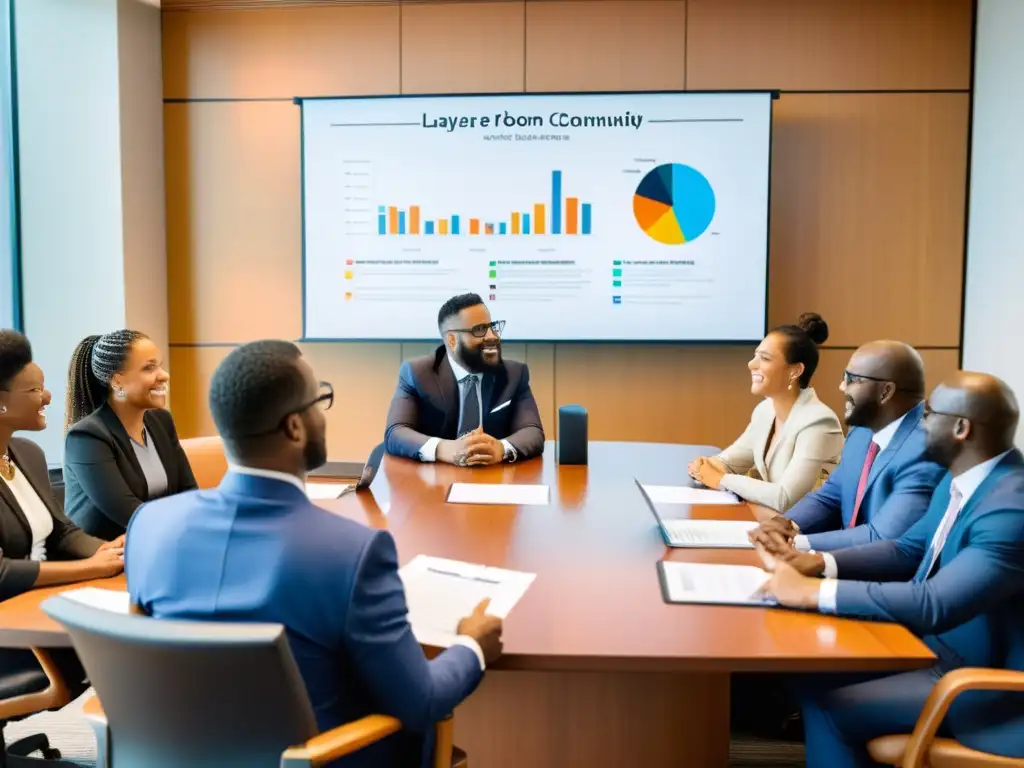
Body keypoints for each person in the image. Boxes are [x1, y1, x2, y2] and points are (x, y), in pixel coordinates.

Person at [126, 340, 503, 768]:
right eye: (319, 401)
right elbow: (421, 700)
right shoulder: (352, 553)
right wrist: (471, 644)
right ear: (294, 427)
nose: (324, 413)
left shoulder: (150, 526)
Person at [759, 372, 1024, 765]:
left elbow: (935, 603)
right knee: (807, 679)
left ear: (961, 428)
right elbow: (906, 550)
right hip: (933, 647)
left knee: (833, 708)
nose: (919, 424)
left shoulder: (1010, 507)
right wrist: (817, 564)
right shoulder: (965, 480)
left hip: (986, 687)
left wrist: (811, 592)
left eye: (929, 414)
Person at [0, 330, 125, 704]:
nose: (49, 397)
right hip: (10, 637)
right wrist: (91, 569)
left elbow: (62, 532)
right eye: (35, 390)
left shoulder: (26, 453)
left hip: (31, 610)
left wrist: (113, 552)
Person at [750, 341, 944, 562]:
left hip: (880, 579)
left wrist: (795, 542)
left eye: (852, 379)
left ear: (885, 392)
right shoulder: (861, 431)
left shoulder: (926, 450)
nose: (841, 387)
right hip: (836, 562)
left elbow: (881, 536)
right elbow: (832, 495)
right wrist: (785, 524)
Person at [688, 313, 843, 511]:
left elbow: (785, 497)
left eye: (765, 358)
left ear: (795, 371)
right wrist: (706, 466)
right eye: (755, 356)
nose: (751, 364)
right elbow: (729, 462)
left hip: (805, 533)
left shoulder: (820, 422)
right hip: (771, 524)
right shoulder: (765, 410)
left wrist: (721, 479)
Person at [63, 330, 197, 540]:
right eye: (149, 368)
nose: (164, 375)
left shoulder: (162, 421)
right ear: (117, 382)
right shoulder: (87, 437)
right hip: (103, 556)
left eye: (159, 365)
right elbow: (128, 512)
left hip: (155, 542)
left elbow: (188, 493)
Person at [385, 293, 544, 465]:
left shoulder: (513, 374)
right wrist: (444, 448)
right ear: (452, 340)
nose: (492, 336)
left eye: (492, 327)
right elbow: (396, 432)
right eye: (480, 330)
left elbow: (532, 431)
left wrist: (502, 448)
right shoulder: (417, 374)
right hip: (436, 481)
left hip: (495, 477)